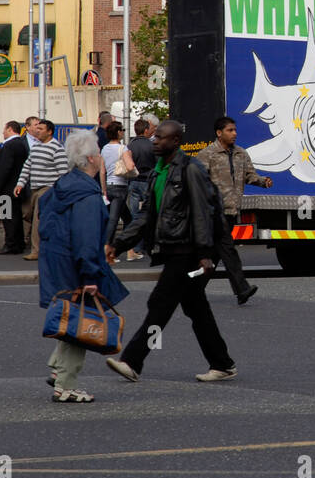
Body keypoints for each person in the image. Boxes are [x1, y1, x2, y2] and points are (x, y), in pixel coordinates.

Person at [105, 120, 238, 384]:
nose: (155, 141)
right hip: (173, 249)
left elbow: (203, 212)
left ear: (175, 141)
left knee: (160, 304)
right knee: (196, 308)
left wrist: (203, 253)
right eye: (155, 137)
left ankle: (132, 360)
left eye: (161, 138)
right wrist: (118, 244)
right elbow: (146, 217)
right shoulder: (158, 171)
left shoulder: (191, 169)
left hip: (188, 252)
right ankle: (222, 363)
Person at [38, 129, 130, 403]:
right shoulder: (88, 196)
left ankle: (58, 369)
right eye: (99, 152)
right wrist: (90, 275)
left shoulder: (63, 186)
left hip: (57, 261)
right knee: (82, 324)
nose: (101, 157)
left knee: (70, 317)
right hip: (77, 265)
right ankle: (65, 384)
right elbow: (87, 239)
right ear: (91, 158)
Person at [196, 115, 270, 305]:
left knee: (213, 254)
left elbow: (249, 176)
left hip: (231, 211)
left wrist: (263, 182)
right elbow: (197, 182)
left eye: (235, 130)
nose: (234, 134)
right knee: (228, 250)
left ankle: (192, 288)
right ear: (219, 133)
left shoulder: (241, 154)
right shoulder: (207, 154)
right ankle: (242, 288)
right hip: (213, 212)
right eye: (230, 130)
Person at [16, 120, 64, 261]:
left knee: (38, 219)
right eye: (37, 128)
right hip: (34, 189)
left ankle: (36, 251)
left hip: (48, 189)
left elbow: (63, 173)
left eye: (41, 128)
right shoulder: (36, 147)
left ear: (49, 131)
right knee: (29, 216)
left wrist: (60, 192)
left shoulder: (57, 148)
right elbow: (27, 166)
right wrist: (20, 183)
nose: (37, 131)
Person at [0, 121, 29, 254]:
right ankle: (18, 243)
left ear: (10, 129)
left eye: (4, 129)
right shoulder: (22, 144)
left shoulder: (9, 146)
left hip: (6, 189)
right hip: (16, 187)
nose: (3, 132)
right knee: (16, 216)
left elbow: (4, 168)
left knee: (7, 217)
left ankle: (10, 244)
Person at [101, 122, 136, 259]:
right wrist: (129, 156)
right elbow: (130, 166)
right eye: (122, 130)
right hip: (120, 186)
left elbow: (102, 171)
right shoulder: (123, 148)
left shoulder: (104, 149)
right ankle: (107, 248)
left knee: (128, 218)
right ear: (118, 132)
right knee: (114, 219)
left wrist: (104, 190)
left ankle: (130, 250)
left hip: (109, 186)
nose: (123, 132)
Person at [123, 119, 155, 262]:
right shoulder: (152, 145)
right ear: (146, 130)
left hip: (133, 182)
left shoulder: (130, 145)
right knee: (148, 215)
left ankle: (134, 247)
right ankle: (146, 245)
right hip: (147, 183)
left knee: (134, 216)